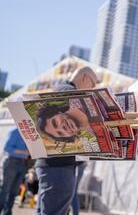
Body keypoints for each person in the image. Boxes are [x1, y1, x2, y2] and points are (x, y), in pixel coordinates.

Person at [35, 66, 98, 215]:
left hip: (53, 168)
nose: (64, 129)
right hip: (58, 170)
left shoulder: (63, 91)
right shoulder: (67, 91)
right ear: (84, 78)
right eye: (93, 84)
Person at [0, 128, 29, 215]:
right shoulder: (15, 132)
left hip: (23, 163)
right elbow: (7, 148)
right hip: (12, 162)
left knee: (14, 192)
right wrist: (24, 152)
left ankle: (8, 213)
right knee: (5, 190)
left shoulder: (29, 135)